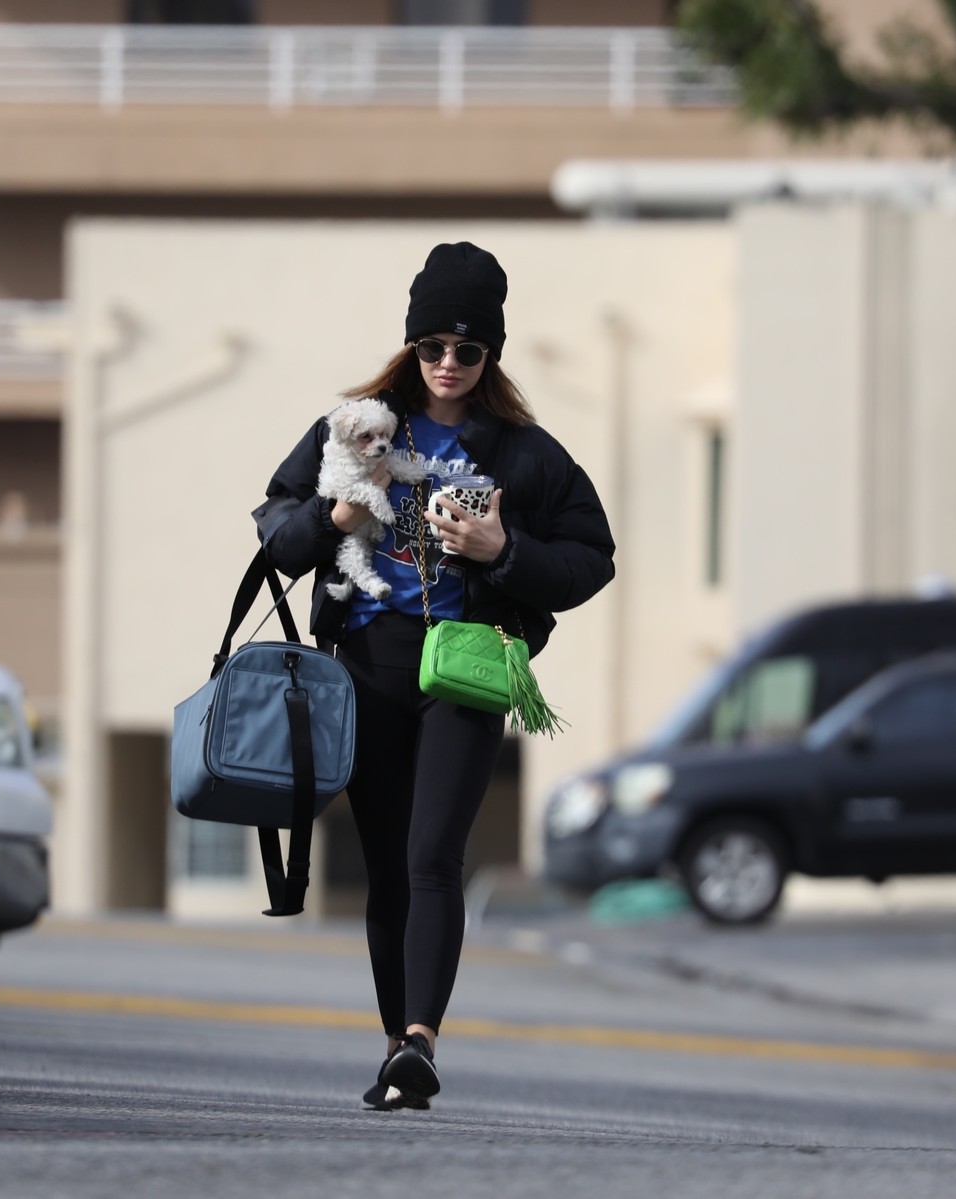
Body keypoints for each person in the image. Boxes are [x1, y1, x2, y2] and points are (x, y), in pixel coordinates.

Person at [252, 242, 616, 1110]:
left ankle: (422, 1038)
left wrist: (505, 549)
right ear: (410, 348)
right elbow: (276, 533)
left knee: (431, 855)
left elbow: (592, 557)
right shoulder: (353, 425)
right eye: (432, 348)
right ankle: (395, 1049)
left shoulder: (525, 453)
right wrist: (334, 511)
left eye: (467, 350)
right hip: (370, 665)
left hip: (467, 661)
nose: (448, 365)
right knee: (385, 863)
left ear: (491, 354)